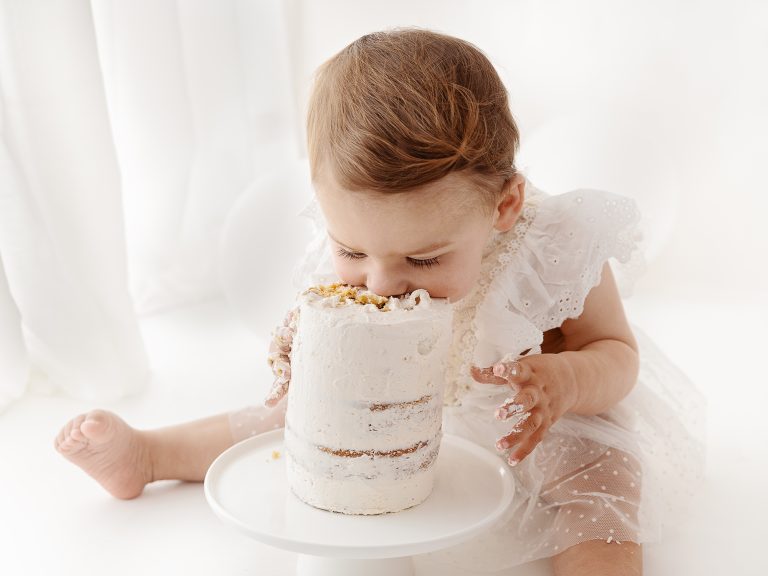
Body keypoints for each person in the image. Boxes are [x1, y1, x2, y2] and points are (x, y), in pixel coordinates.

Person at [55, 28, 704, 575]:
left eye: (424, 259)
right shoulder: (368, 242)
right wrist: (300, 352)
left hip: (527, 423)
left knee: (603, 471)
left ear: (503, 206)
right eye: (351, 251)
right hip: (384, 418)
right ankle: (151, 453)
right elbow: (318, 337)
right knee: (284, 419)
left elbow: (617, 354)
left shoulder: (556, 245)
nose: (381, 284)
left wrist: (565, 381)